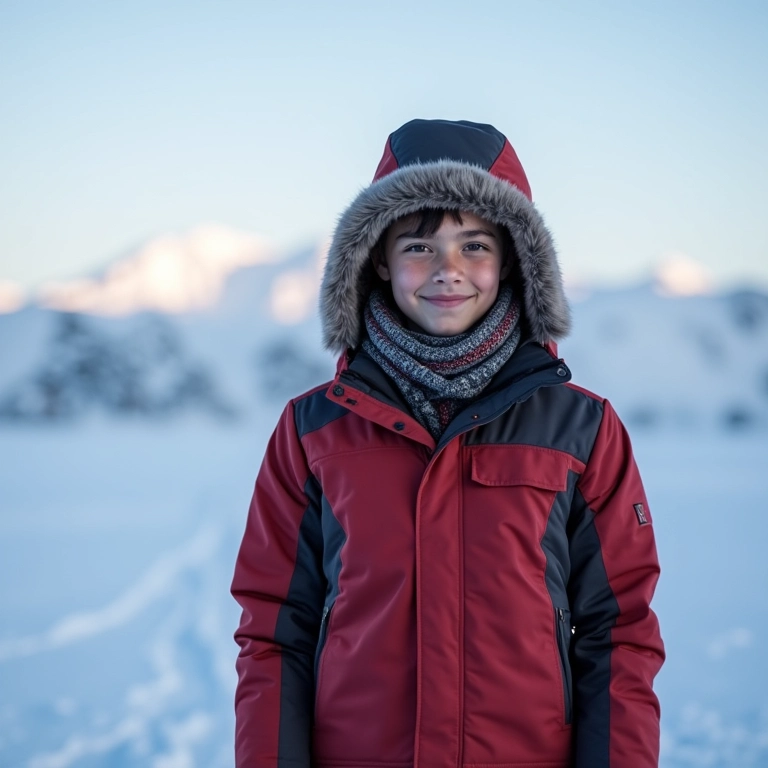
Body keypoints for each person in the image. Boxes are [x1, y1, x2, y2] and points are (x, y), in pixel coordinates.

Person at [231, 119, 665, 768]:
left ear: (513, 256)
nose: (448, 271)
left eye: (474, 245)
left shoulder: (583, 432)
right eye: (418, 246)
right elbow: (273, 633)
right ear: (378, 257)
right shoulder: (312, 431)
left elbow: (619, 634)